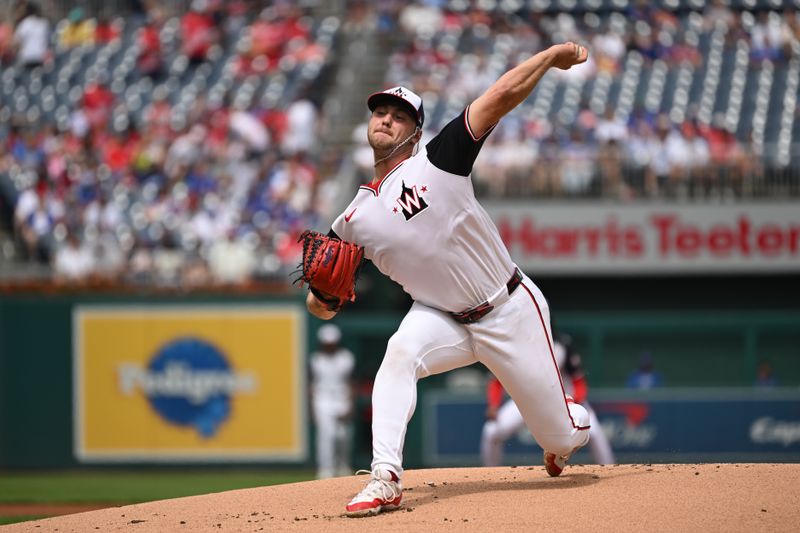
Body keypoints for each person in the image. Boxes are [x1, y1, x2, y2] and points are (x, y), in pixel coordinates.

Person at [304, 42, 591, 517]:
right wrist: (323, 301)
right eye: (380, 111)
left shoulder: (438, 161)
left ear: (415, 132)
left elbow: (498, 97)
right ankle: (385, 478)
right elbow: (319, 304)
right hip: (441, 317)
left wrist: (548, 57)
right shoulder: (350, 218)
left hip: (508, 308)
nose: (386, 118)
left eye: (399, 114)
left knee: (561, 436)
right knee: (397, 354)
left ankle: (568, 418)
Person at [481, 334, 615, 467]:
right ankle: (490, 473)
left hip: (565, 399)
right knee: (491, 430)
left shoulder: (562, 345)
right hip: (528, 399)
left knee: (594, 432)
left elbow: (579, 381)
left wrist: (577, 400)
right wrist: (494, 405)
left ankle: (609, 468)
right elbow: (497, 381)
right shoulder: (515, 345)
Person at [309, 324, 355, 479]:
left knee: (342, 435)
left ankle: (342, 465)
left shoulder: (346, 358)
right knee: (325, 435)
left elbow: (350, 381)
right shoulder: (316, 359)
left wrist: (350, 404)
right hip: (322, 398)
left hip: (341, 397)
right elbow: (311, 384)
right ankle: (325, 468)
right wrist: (312, 408)